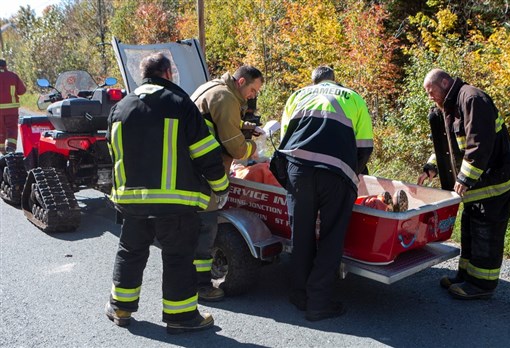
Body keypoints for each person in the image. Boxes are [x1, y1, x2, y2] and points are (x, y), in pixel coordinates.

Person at [104, 52, 230, 334]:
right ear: (168, 73)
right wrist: (220, 188)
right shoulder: (180, 104)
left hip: (132, 201)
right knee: (178, 256)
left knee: (130, 252)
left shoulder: (121, 107)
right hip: (175, 202)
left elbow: (112, 155)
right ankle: (181, 317)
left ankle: (121, 308)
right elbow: (205, 152)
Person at [419, 69, 510, 300]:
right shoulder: (451, 106)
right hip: (480, 184)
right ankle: (466, 276)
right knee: (469, 227)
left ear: (445, 83)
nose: (430, 96)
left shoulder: (472, 99)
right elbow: (449, 145)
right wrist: (431, 166)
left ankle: (481, 284)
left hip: (496, 181)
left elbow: (480, 145)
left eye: (431, 91)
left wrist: (465, 178)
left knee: (486, 231)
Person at [279, 65, 373, 321]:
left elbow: (285, 141)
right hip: (336, 173)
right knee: (331, 236)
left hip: (298, 171)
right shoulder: (353, 97)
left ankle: (299, 294)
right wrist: (353, 176)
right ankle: (319, 302)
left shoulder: (297, 95)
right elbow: (364, 147)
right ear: (334, 80)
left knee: (301, 234)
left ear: (313, 81)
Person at [190, 65, 264, 302]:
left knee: (191, 224)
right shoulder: (226, 98)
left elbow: (219, 122)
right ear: (241, 82)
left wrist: (248, 128)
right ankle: (201, 285)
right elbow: (235, 147)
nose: (253, 95)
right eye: (253, 89)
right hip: (205, 171)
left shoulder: (214, 88)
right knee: (206, 226)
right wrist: (254, 147)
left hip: (191, 166)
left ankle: (189, 278)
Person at [0, 59, 26, 154]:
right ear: (5, 66)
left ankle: (2, 149)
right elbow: (22, 91)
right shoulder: (13, 76)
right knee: (12, 129)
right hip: (11, 110)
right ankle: (10, 148)